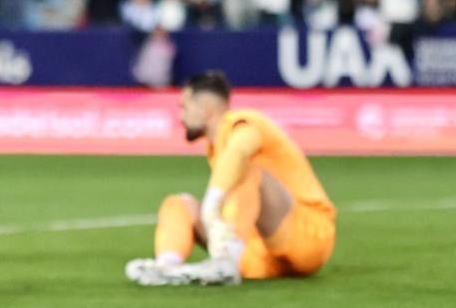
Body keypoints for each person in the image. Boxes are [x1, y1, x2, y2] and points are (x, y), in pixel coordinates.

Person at [125, 71, 336, 286]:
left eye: (185, 107)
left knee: (245, 169)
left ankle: (226, 262)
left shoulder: (242, 122)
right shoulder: (215, 147)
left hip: (307, 236)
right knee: (179, 205)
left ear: (205, 108)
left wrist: (211, 204)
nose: (181, 116)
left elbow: (241, 149)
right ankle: (166, 268)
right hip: (259, 252)